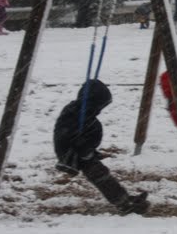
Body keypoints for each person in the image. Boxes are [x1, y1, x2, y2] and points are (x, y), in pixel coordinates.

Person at [53, 79, 150, 215]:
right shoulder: (76, 112)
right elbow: (66, 134)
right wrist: (82, 148)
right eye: (100, 105)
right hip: (73, 152)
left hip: (81, 150)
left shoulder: (82, 111)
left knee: (101, 174)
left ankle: (124, 199)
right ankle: (124, 204)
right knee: (100, 175)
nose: (100, 109)